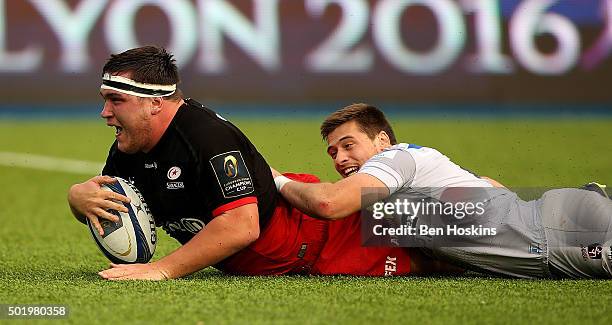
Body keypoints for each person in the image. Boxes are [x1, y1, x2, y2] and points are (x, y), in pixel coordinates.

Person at [67, 46, 458, 280]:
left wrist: (163, 269)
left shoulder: (205, 137)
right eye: (105, 98)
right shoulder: (129, 146)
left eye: (116, 100)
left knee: (461, 246)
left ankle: (498, 201)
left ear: (155, 102)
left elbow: (241, 226)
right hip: (301, 251)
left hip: (328, 237)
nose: (104, 112)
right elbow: (113, 200)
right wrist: (78, 198)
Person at [272, 103, 612, 279]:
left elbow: (329, 203)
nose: (341, 158)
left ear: (382, 140)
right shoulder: (408, 171)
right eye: (333, 153)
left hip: (558, 235)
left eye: (348, 145)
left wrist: (272, 177)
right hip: (554, 222)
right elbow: (490, 186)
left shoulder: (395, 159)